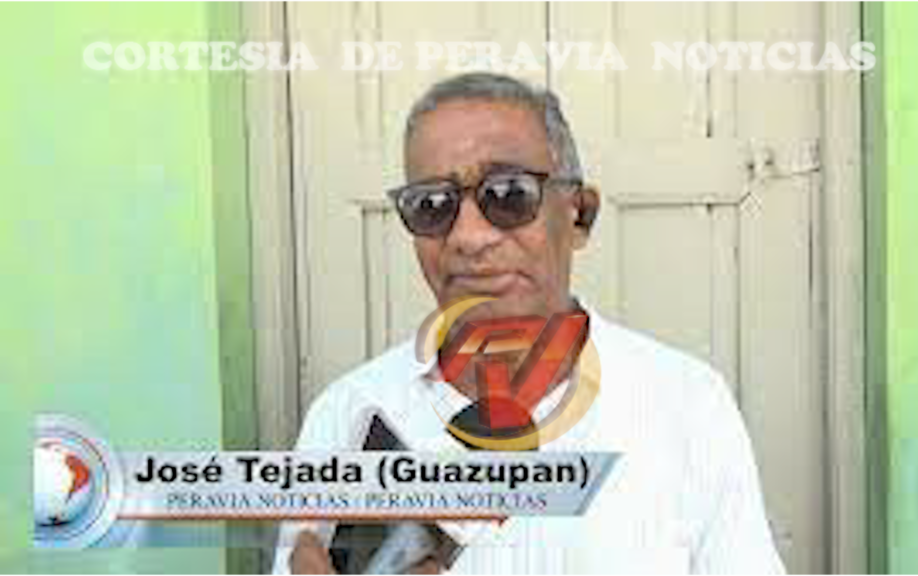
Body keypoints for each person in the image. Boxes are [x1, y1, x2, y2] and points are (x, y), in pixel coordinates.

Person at [273, 72, 785, 575]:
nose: (468, 238)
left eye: (508, 195)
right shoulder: (347, 414)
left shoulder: (686, 403)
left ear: (579, 214)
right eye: (431, 206)